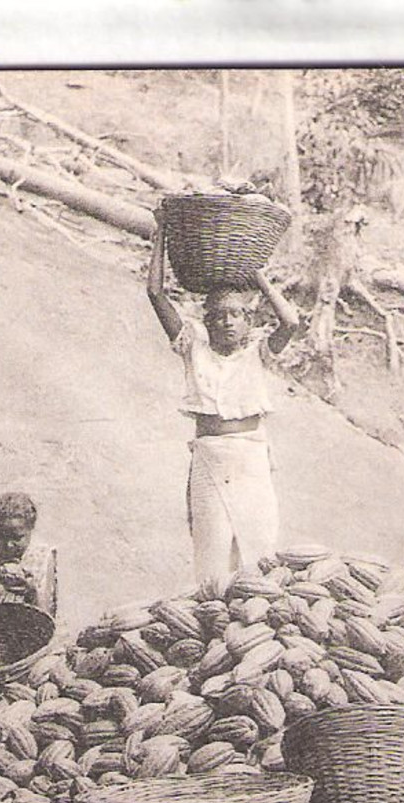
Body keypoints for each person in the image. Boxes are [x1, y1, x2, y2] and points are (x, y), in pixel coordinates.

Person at [146, 210, 302, 585]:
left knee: (259, 548)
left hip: (250, 457)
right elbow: (155, 292)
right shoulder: (193, 346)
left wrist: (257, 274)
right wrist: (163, 232)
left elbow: (291, 322)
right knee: (211, 552)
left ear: (249, 323)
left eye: (236, 315)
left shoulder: (258, 353)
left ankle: (255, 618)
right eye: (218, 316)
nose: (227, 322)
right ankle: (212, 622)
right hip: (210, 458)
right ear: (206, 321)